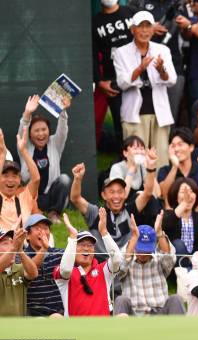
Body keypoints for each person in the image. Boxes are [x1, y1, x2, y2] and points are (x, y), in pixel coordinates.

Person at [112, 10, 177, 167]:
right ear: (132, 29)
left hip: (159, 111)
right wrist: (140, 68)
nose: (144, 31)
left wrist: (162, 70)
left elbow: (172, 80)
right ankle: (137, 190)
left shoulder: (162, 50)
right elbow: (122, 83)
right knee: (137, 160)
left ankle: (160, 190)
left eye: (148, 26)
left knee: (160, 158)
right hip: (134, 113)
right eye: (140, 27)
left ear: (153, 29)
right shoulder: (121, 52)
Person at [128, 0, 188, 123]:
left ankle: (171, 147)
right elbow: (129, 31)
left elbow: (188, 36)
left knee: (170, 116)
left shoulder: (178, 2)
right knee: (146, 115)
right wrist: (148, 28)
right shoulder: (139, 2)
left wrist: (186, 25)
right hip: (145, 64)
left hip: (173, 64)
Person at [70, 153, 160, 254]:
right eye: (112, 192)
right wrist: (77, 179)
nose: (116, 196)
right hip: (101, 264)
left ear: (125, 194)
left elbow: (148, 193)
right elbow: (75, 198)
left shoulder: (130, 210)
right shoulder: (95, 213)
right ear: (104, 195)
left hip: (125, 262)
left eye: (120, 191)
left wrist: (151, 168)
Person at [91, 0, 134, 149]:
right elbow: (92, 54)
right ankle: (123, 156)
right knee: (119, 121)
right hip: (112, 80)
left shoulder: (131, 13)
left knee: (139, 117)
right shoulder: (94, 23)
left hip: (136, 75)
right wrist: (99, 82)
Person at [53, 211, 122, 317]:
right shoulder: (64, 271)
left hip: (103, 328)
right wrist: (72, 238)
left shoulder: (103, 269)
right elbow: (66, 270)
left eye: (90, 245)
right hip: (75, 329)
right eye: (81, 244)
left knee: (123, 317)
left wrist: (104, 232)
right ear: (74, 248)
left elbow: (117, 259)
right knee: (55, 317)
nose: (86, 248)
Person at [114, 213, 185, 316]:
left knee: (175, 299)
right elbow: (120, 266)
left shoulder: (159, 260)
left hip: (159, 313)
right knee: (121, 300)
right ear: (134, 245)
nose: (143, 254)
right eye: (140, 249)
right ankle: (119, 332)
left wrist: (159, 233)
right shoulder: (127, 256)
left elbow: (169, 258)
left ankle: (180, 332)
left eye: (146, 250)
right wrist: (134, 238)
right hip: (134, 314)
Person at [18, 95, 71, 223]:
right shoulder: (25, 146)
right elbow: (22, 132)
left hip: (51, 196)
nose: (41, 134)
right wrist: (27, 113)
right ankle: (33, 212)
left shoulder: (54, 143)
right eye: (36, 130)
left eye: (44, 130)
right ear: (30, 134)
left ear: (49, 131)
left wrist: (63, 111)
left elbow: (63, 131)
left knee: (64, 179)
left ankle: (54, 213)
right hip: (32, 196)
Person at [158, 127, 198, 202]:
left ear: (191, 147)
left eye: (180, 144)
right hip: (174, 211)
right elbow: (163, 194)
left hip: (196, 208)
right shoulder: (165, 170)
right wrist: (174, 167)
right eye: (173, 146)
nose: (176, 149)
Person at [23, 214, 64, 317]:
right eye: (38, 228)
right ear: (27, 235)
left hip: (58, 312)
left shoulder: (58, 254)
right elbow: (29, 272)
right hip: (32, 313)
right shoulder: (21, 256)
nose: (43, 232)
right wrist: (43, 250)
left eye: (46, 228)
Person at [0, 128, 39, 232]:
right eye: (6, 175)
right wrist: (3, 155)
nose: (10, 180)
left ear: (19, 179)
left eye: (14, 176)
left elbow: (36, 179)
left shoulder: (24, 198)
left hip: (23, 247)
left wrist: (23, 151)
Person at [162, 178, 198, 261]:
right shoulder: (167, 215)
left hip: (197, 263)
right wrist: (184, 203)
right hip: (175, 264)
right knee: (178, 244)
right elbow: (165, 225)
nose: (188, 195)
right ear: (175, 196)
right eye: (183, 192)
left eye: (191, 191)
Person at [0, 228, 38, 316]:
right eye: (6, 243)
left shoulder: (19, 268)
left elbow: (34, 273)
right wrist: (13, 248)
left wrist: (20, 250)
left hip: (19, 328)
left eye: (12, 242)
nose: (11, 245)